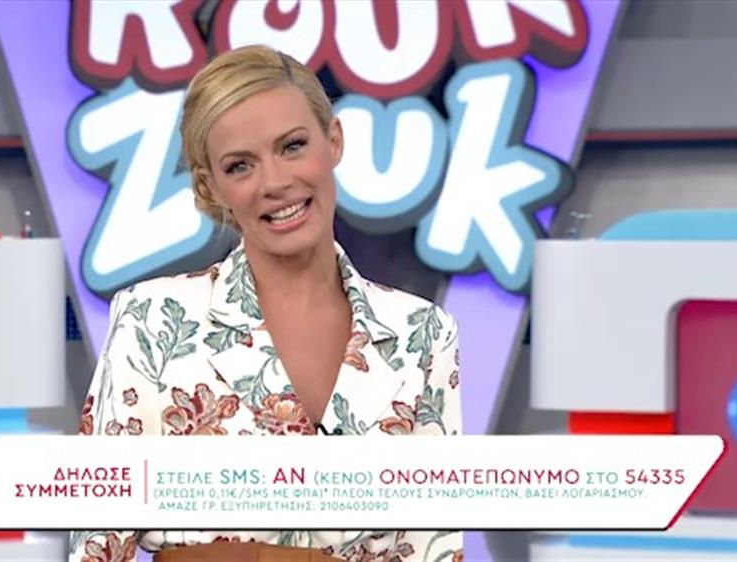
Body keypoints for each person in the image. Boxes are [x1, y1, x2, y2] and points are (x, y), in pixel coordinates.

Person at [71, 45, 462, 562]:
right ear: (211, 186)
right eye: (240, 166)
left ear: (334, 140)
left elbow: (433, 547)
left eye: (293, 146)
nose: (275, 183)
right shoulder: (152, 321)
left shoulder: (422, 334)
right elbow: (96, 544)